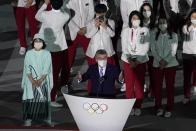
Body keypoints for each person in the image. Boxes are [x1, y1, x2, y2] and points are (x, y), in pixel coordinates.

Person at [35, 0, 70, 107]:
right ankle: (51, 98)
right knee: (54, 74)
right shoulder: (65, 16)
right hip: (57, 49)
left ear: (51, 4)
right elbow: (67, 10)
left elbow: (36, 16)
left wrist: (45, 3)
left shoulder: (45, 15)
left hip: (44, 48)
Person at [121, 10, 150, 116]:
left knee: (139, 84)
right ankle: (129, 106)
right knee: (128, 84)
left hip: (140, 61)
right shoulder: (125, 31)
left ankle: (138, 106)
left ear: (140, 20)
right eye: (133, 18)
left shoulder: (145, 30)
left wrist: (137, 61)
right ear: (130, 20)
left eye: (137, 18)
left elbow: (145, 47)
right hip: (128, 61)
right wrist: (130, 60)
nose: (135, 20)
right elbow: (124, 47)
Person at [22, 33, 53, 126]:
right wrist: (32, 81)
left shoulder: (47, 53)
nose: (38, 43)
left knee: (43, 100)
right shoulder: (29, 53)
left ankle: (46, 119)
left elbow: (46, 69)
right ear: (33, 42)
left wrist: (40, 81)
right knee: (30, 100)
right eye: (36, 41)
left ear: (43, 43)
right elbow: (27, 68)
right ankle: (28, 119)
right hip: (30, 81)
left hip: (42, 81)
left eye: (40, 41)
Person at [151, 17, 178, 118]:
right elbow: (153, 49)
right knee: (157, 87)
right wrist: (159, 61)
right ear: (158, 25)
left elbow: (173, 51)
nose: (162, 25)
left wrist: (165, 61)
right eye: (160, 23)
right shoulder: (154, 35)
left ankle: (169, 108)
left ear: (168, 24)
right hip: (157, 64)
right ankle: (158, 107)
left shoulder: (174, 35)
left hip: (170, 64)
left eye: (164, 23)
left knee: (170, 87)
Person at [66, 0, 94, 67]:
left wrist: (86, 27)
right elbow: (66, 16)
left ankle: (94, 73)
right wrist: (77, 29)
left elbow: (91, 14)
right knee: (69, 56)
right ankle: (65, 74)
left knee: (91, 54)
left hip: (86, 31)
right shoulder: (67, 1)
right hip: (72, 31)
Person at [140, 2, 156, 98]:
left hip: (152, 53)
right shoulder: (139, 23)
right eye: (144, 10)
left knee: (153, 74)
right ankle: (141, 90)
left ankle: (152, 91)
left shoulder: (155, 23)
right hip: (141, 53)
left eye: (148, 10)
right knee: (141, 74)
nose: (146, 12)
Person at [182, 9, 196, 104]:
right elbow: (187, 36)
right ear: (190, 17)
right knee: (187, 77)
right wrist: (192, 26)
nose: (195, 19)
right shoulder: (185, 27)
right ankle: (186, 96)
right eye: (193, 17)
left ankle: (194, 87)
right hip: (187, 54)